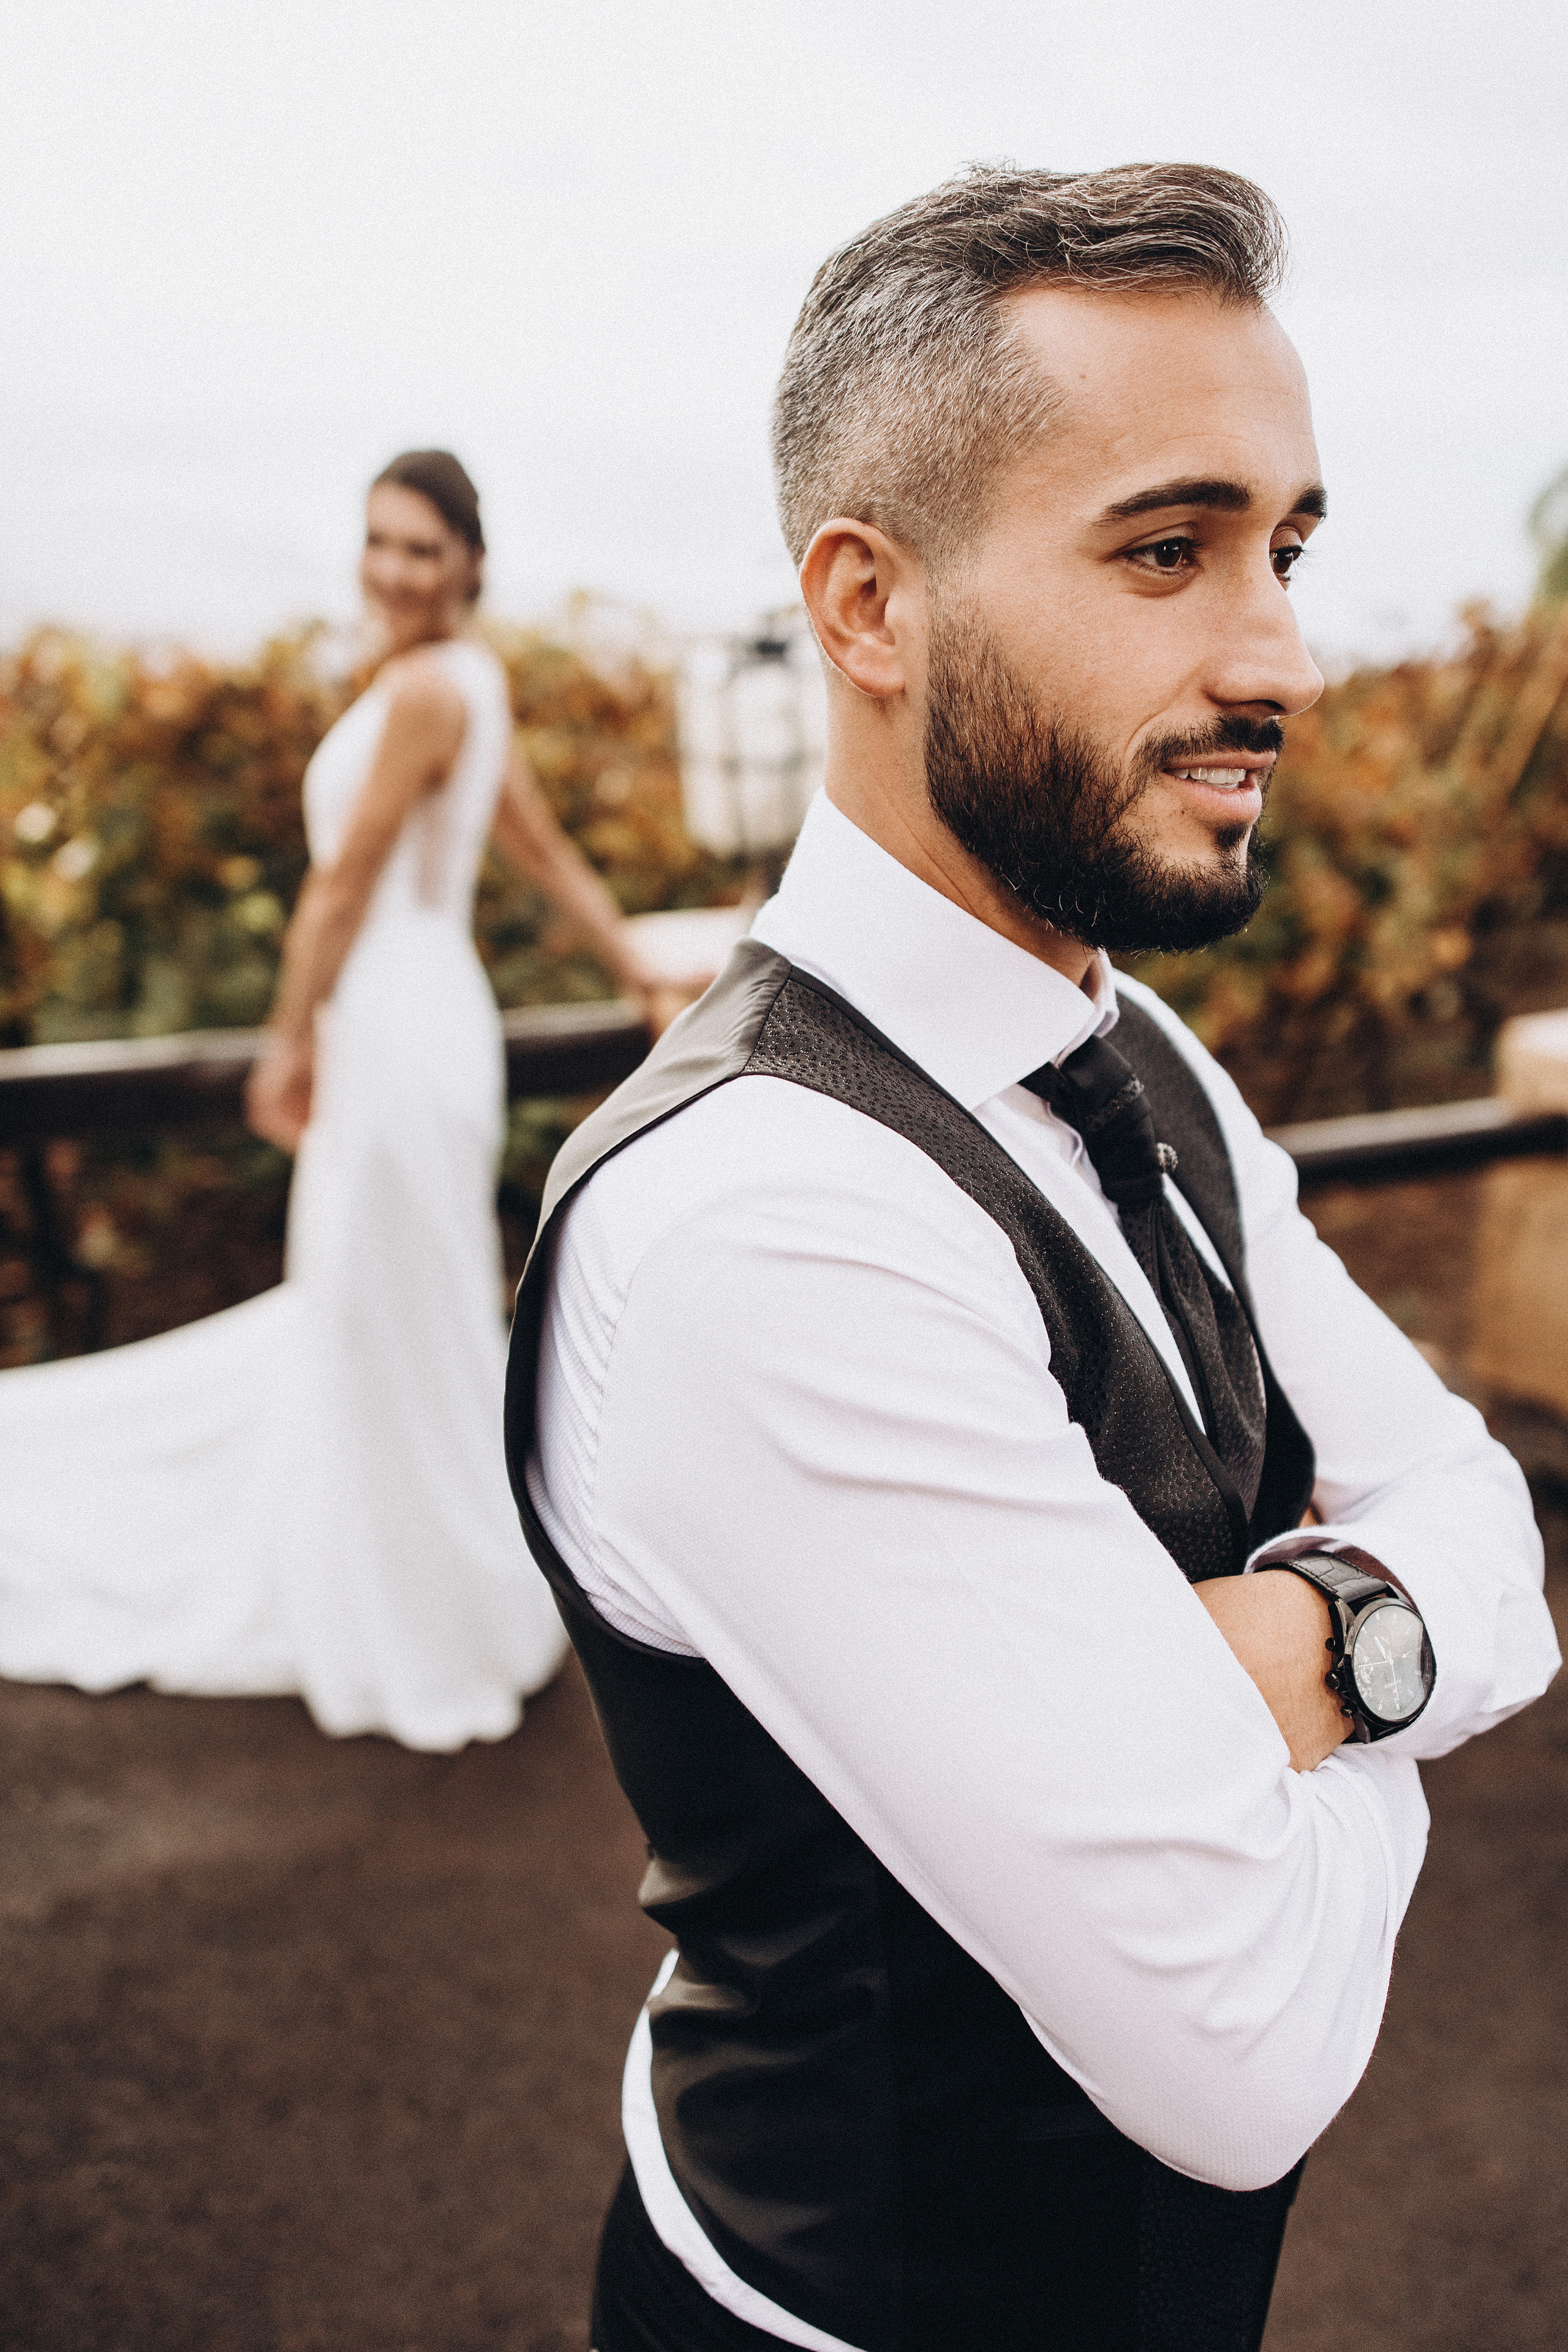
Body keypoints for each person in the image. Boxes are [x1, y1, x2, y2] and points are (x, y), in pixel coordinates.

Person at [507, 170, 1562, 2350]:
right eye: (1166, 550)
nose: (1277, 654)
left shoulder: (1128, 1036)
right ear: (869, 608)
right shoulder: (764, 1221)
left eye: (1287, 549)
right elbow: (1245, 2053)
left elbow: (1494, 1543)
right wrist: (1403, 1661)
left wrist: (1298, 1667)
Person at [0, 450, 701, 1752]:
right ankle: (443, 1596)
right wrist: (627, 960)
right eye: (380, 542)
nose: (394, 571)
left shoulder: (435, 690)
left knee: (393, 1316)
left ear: (470, 568)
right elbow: (537, 842)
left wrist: (284, 1046)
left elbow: (344, 883)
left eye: (422, 550)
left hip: (389, 1033)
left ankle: (418, 1615)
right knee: (400, 1314)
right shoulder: (465, 682)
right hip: (435, 1027)